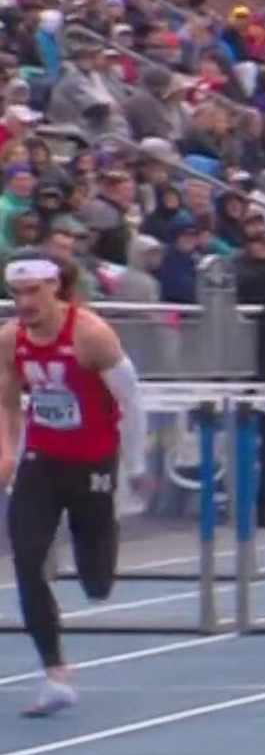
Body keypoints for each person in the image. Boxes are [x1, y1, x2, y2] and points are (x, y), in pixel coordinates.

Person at [0, 248, 147, 718]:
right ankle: (56, 673)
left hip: (93, 462)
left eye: (32, 292)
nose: (24, 302)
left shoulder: (91, 336)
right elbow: (6, 401)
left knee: (96, 581)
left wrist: (135, 465)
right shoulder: (9, 339)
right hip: (42, 461)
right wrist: (7, 448)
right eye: (16, 293)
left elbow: (132, 402)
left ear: (55, 288)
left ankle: (104, 541)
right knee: (26, 558)